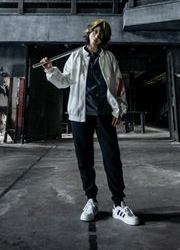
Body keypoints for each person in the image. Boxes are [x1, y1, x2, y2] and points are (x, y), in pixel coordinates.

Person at [40, 19, 139, 226]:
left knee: (112, 158)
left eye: (101, 34)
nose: (97, 36)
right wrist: (50, 70)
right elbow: (64, 81)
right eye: (95, 32)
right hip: (79, 115)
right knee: (84, 160)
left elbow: (119, 84)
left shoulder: (109, 57)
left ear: (104, 39)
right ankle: (91, 200)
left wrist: (119, 109)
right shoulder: (75, 56)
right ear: (89, 33)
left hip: (104, 113)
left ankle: (118, 204)